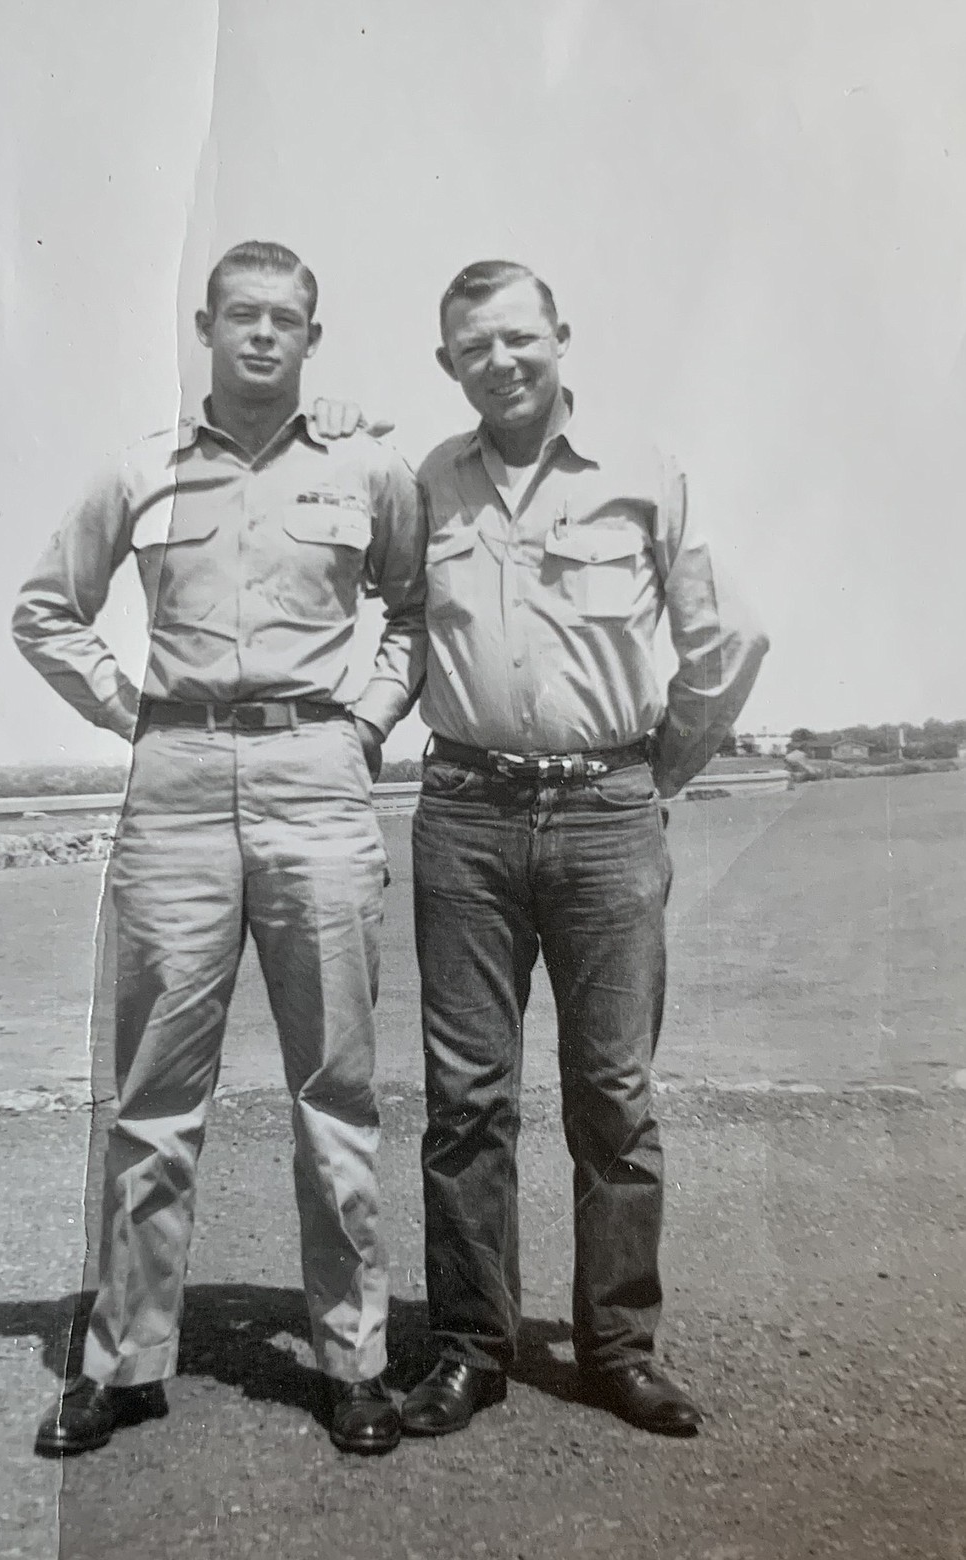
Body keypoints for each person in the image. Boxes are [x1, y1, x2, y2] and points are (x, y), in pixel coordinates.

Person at [12, 240, 426, 1458]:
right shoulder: (142, 470)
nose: (261, 335)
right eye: (240, 315)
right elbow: (46, 608)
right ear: (206, 326)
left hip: (318, 779)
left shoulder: (368, 466)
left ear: (313, 336)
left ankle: (355, 1360)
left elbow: (415, 613)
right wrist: (124, 706)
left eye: (284, 319)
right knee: (153, 1097)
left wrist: (366, 723)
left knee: (336, 1089)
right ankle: (129, 1361)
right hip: (179, 783)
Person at [397, 260, 768, 1440]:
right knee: (466, 1099)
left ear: (561, 337)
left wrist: (655, 774)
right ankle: (470, 1346)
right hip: (463, 815)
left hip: (607, 814)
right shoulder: (424, 486)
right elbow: (395, 627)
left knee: (613, 1098)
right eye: (473, 347)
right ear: (447, 364)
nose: (499, 362)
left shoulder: (646, 471)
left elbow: (729, 636)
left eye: (519, 338)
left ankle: (617, 1347)